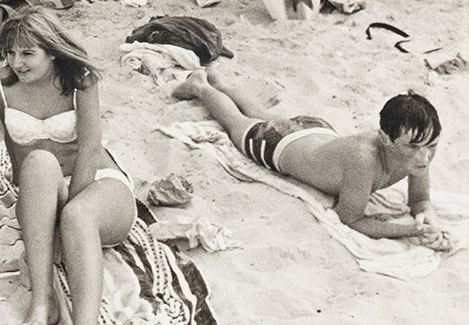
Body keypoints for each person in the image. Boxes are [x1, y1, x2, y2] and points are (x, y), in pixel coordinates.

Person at [0, 7, 136, 325]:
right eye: (9, 52)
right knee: (37, 161)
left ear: (51, 51)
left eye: (27, 53)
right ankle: (42, 303)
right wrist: (33, 211)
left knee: (77, 215)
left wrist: (66, 209)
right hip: (44, 182)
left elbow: (89, 148)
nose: (16, 62)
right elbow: (16, 152)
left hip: (97, 180)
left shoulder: (80, 80)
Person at [175, 67, 452, 250]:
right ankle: (201, 86)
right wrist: (407, 232)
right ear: (384, 138)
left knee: (259, 111)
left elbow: (419, 200)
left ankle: (222, 83)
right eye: (414, 146)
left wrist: (427, 217)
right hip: (280, 145)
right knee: (237, 122)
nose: (425, 156)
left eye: (432, 145)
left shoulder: (418, 153)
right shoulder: (364, 161)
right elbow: (350, 219)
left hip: (315, 130)